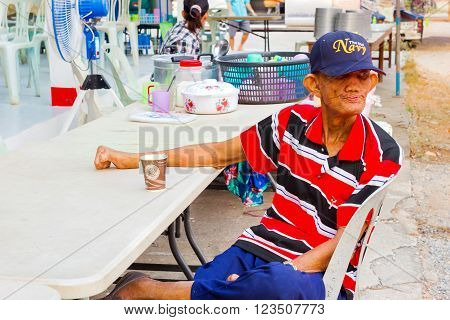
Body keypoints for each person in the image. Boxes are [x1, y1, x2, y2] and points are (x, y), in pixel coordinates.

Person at [95, 31, 403, 300]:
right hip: (262, 243)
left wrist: (273, 276)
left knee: (274, 288)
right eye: (340, 75)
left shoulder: (382, 152)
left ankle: (145, 290)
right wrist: (132, 158)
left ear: (373, 80)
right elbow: (216, 153)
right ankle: (210, 292)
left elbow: (344, 243)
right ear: (314, 84)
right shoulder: (291, 122)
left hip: (315, 271)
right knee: (216, 287)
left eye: (363, 75)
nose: (354, 86)